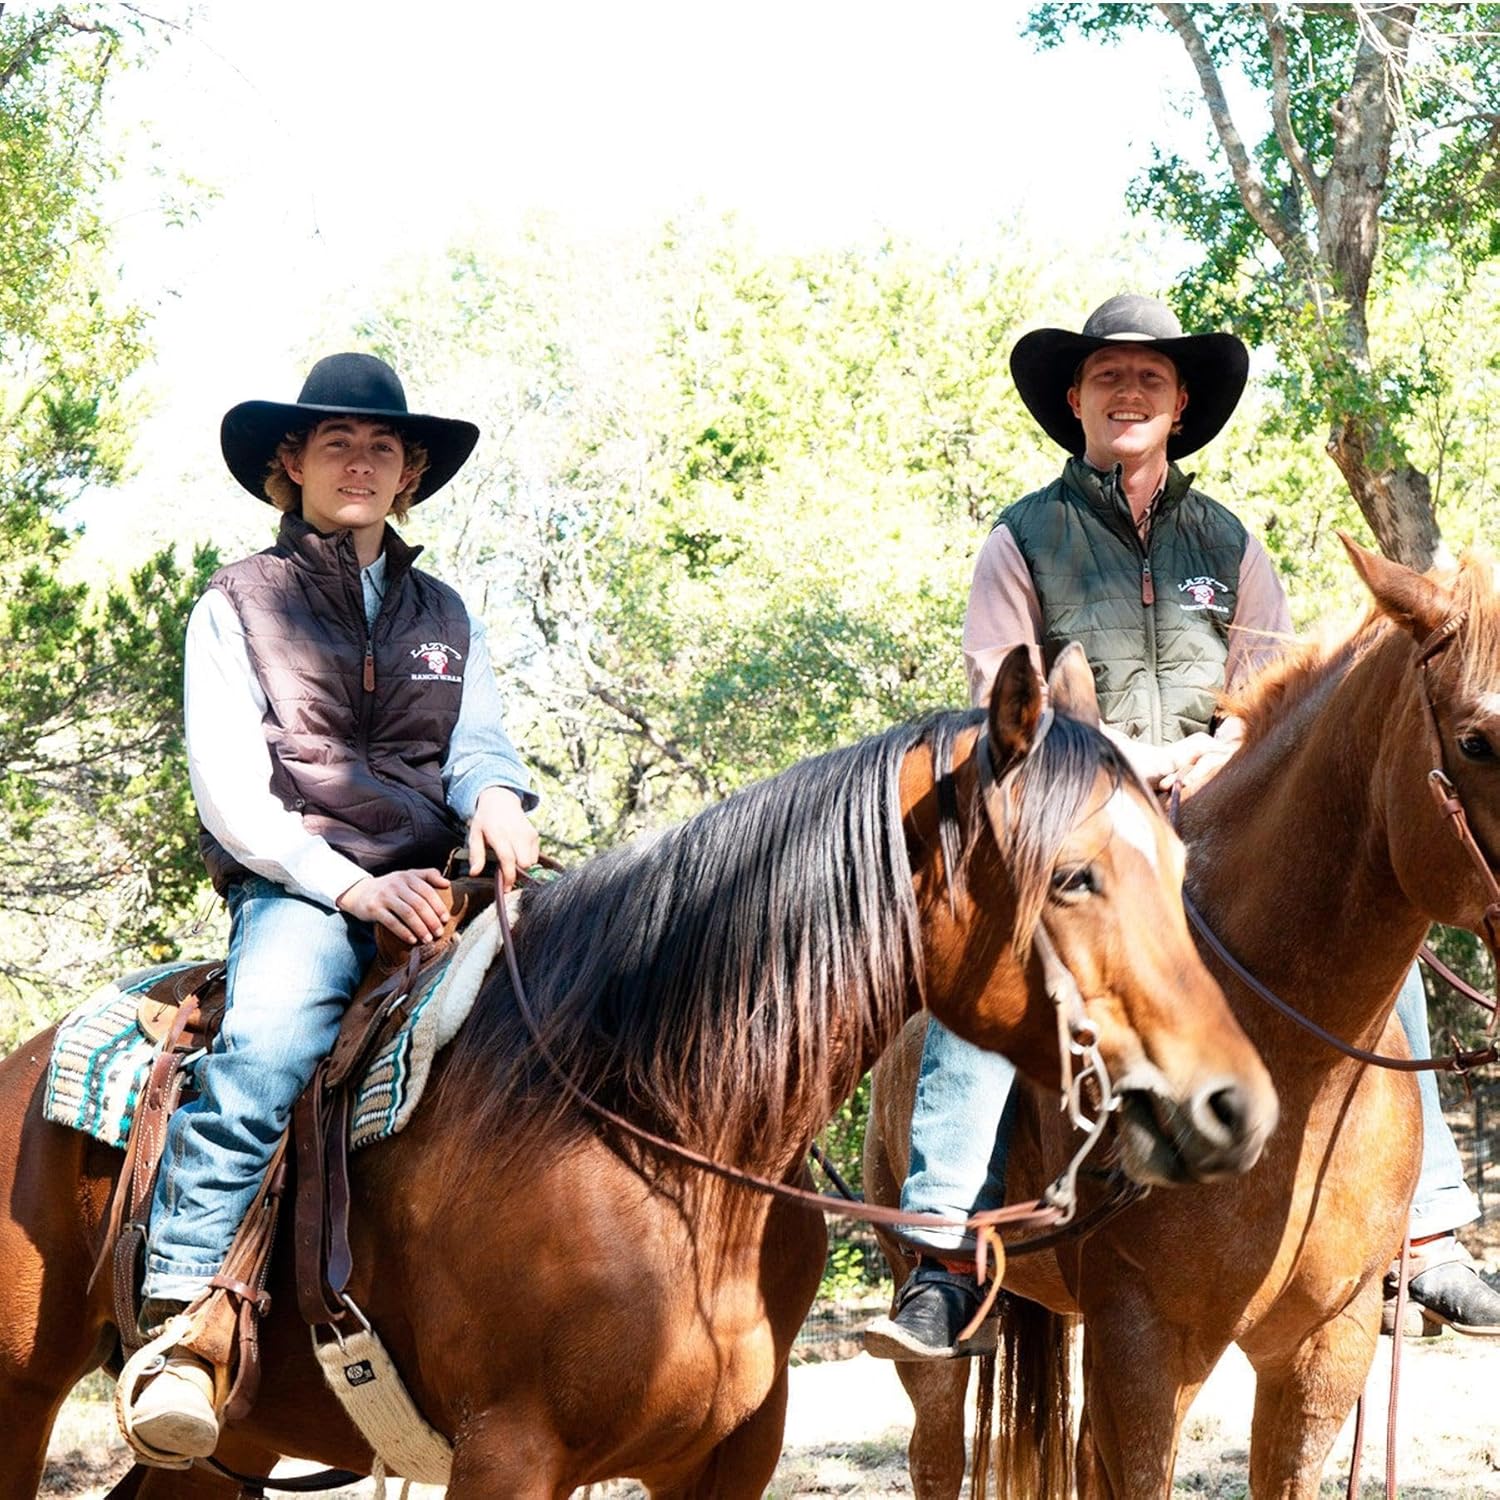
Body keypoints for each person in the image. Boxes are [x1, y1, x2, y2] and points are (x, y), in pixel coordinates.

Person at [864, 294, 1500, 1361]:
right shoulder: (1021, 539)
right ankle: (940, 1248)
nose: (1128, 393)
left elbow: (1269, 688)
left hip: (1215, 807)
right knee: (987, 968)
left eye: (1149, 380)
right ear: (1074, 400)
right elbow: (1000, 700)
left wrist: (1221, 749)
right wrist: (1118, 759)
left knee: (1379, 930)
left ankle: (1427, 1225)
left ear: (1179, 405)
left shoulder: (1229, 541)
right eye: (1108, 377)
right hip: (1070, 815)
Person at [125, 353, 540, 1459]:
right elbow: (232, 790)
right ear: (290, 465)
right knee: (263, 1048)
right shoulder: (237, 603)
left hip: (439, 880)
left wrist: (495, 797)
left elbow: (476, 740)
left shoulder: (443, 610)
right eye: (337, 445)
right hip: (306, 884)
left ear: (409, 476)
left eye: (383, 450)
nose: (361, 465)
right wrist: (353, 884)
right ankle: (184, 1319)